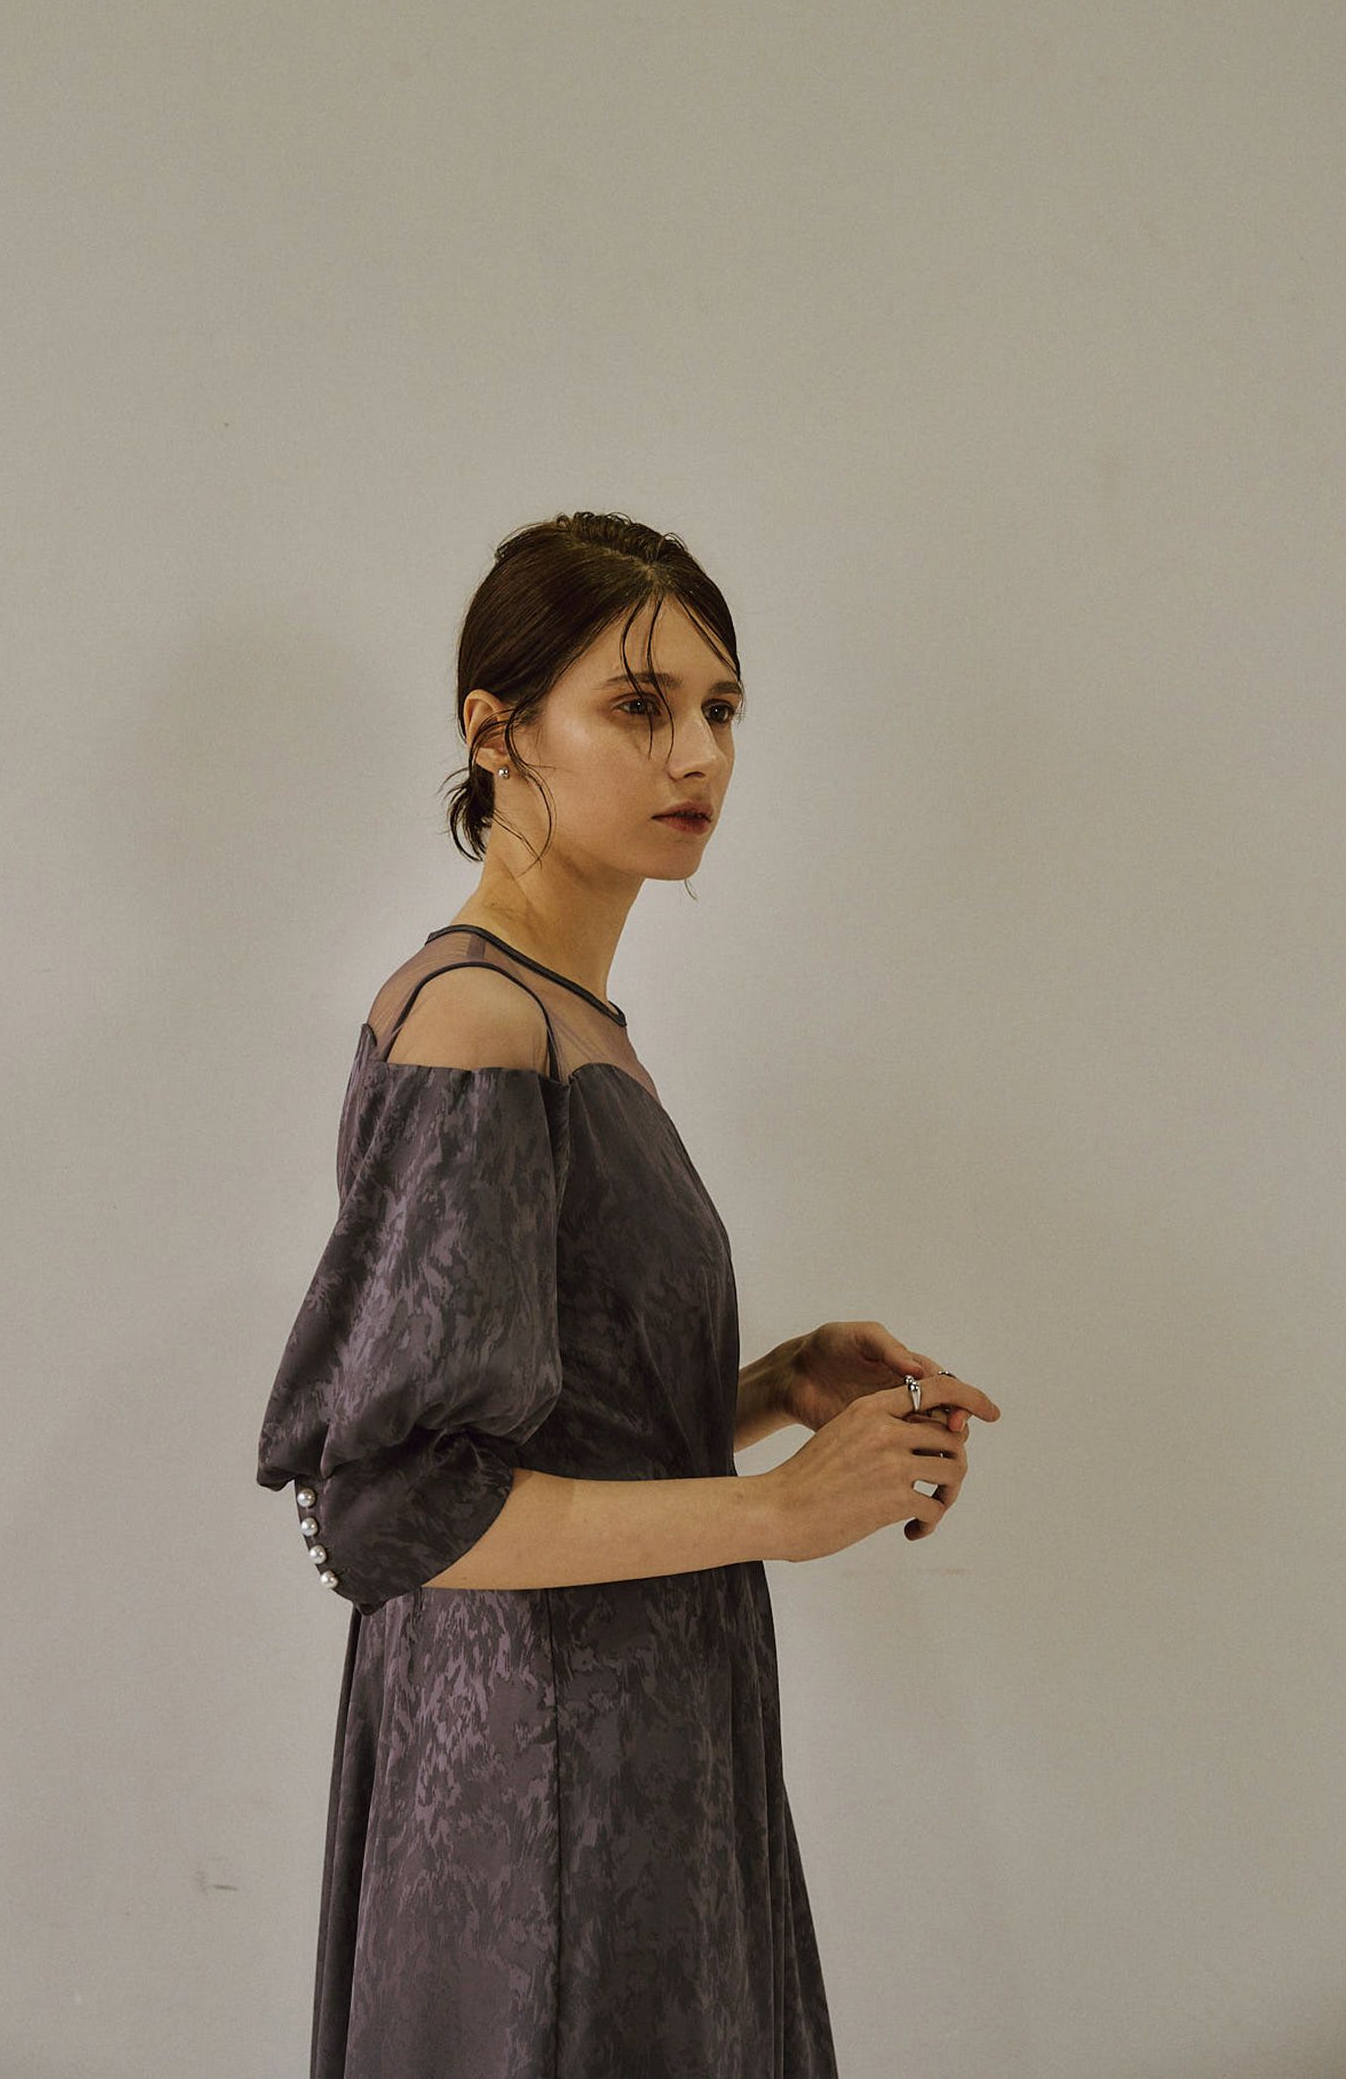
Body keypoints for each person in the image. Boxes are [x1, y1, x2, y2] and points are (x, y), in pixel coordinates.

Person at [256, 508, 1001, 2078]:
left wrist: (772, 1386)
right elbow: (401, 1507)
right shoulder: (480, 1027)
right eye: (639, 706)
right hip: (539, 1778)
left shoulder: (563, 1019)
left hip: (624, 1744)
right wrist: (780, 1510)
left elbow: (539, 1423)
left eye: (721, 709)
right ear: (497, 733)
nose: (698, 755)